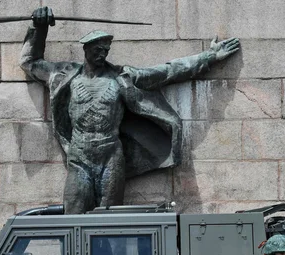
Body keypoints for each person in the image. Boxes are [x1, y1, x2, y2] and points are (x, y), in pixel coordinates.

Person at [20, 6, 240, 214]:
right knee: (73, 215)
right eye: (97, 49)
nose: (102, 54)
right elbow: (29, 62)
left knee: (111, 221)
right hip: (79, 158)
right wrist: (39, 28)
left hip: (111, 157)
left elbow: (167, 71)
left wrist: (209, 57)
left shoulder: (122, 77)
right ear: (85, 48)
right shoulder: (63, 75)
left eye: (105, 50)